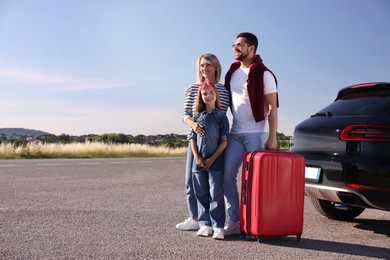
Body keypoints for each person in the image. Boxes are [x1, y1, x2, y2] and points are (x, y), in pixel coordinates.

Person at [223, 32, 279, 236]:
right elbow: (216, 91)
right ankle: (236, 221)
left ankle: (257, 222)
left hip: (257, 133)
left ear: (251, 48)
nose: (235, 48)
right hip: (236, 133)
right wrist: (195, 88)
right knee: (227, 175)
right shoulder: (232, 72)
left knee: (256, 181)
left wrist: (272, 137)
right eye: (234, 45)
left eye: (239, 45)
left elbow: (272, 108)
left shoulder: (265, 74)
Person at [176, 54, 230, 231]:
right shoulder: (193, 88)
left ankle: (214, 222)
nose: (204, 69)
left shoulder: (223, 90)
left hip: (215, 143)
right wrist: (194, 125)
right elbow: (184, 114)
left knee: (214, 185)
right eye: (201, 66)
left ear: (215, 67)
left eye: (208, 65)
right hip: (195, 141)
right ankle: (195, 218)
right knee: (191, 181)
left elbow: (222, 114)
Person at [189, 82, 229, 240]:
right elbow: (191, 139)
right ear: (201, 96)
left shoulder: (221, 117)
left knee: (215, 193)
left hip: (215, 162)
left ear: (216, 95)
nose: (208, 96)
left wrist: (212, 159)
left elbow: (224, 141)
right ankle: (204, 224)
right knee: (201, 193)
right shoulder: (197, 116)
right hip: (198, 163)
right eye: (204, 93)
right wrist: (197, 157)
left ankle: (217, 226)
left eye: (211, 92)